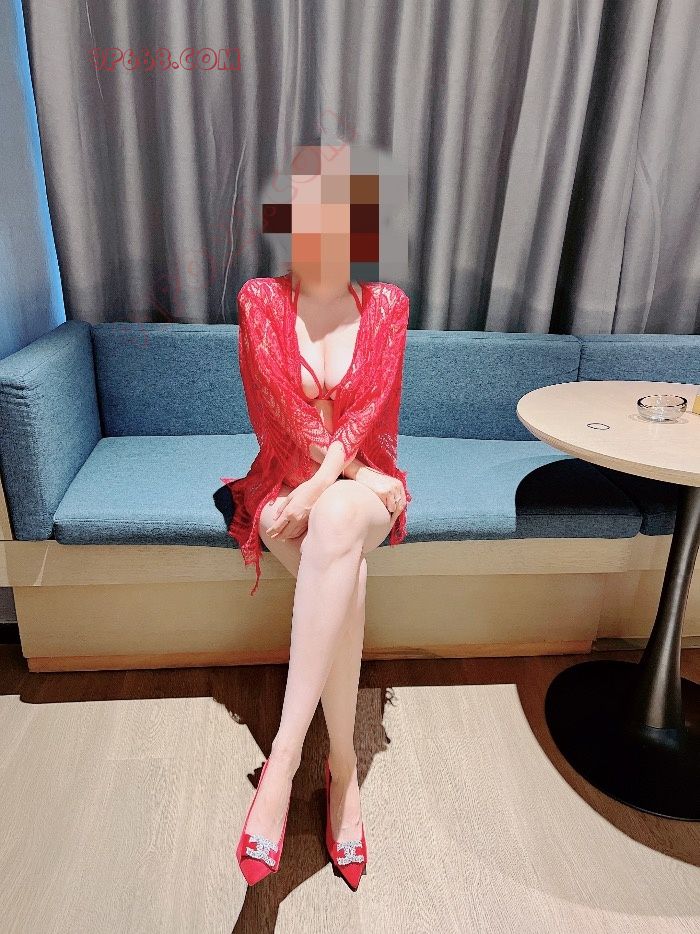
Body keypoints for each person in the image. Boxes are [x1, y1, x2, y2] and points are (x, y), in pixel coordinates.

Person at [227, 142, 411, 889]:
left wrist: (338, 481)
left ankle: (282, 762)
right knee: (343, 562)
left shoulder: (388, 305)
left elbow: (367, 415)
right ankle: (342, 767)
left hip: (361, 491)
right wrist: (329, 481)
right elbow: (282, 417)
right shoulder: (260, 301)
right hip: (288, 478)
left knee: (336, 517)